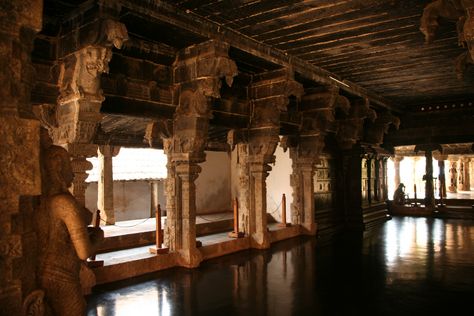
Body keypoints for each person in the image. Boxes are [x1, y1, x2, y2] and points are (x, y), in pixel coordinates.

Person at [38, 130, 104, 315]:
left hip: (43, 269)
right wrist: (98, 236)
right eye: (69, 166)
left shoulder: (43, 200)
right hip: (62, 273)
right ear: (59, 169)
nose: (72, 174)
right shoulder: (64, 203)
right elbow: (83, 252)